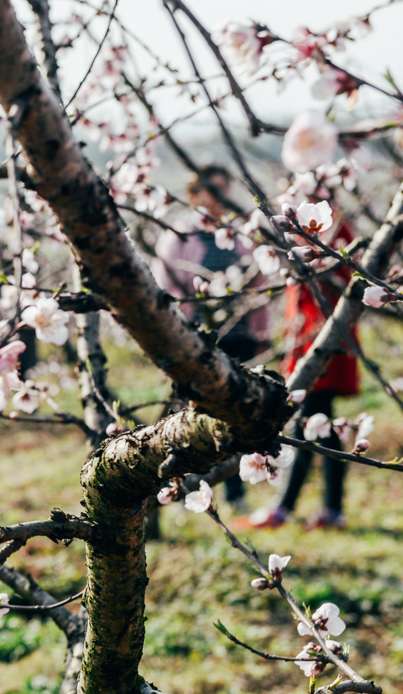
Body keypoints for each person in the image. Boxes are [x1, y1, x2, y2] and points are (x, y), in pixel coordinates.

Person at [154, 166, 270, 512]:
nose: (221, 198)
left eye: (225, 189)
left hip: (239, 337)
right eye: (213, 190)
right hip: (196, 341)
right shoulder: (179, 236)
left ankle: (235, 492)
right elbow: (167, 290)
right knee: (198, 415)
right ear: (196, 195)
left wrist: (261, 331)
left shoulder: (240, 233)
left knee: (237, 414)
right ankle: (187, 487)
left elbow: (259, 284)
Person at [243, 219, 360, 531]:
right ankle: (330, 509)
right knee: (321, 426)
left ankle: (285, 509)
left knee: (307, 423)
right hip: (304, 343)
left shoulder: (337, 232)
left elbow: (343, 284)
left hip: (324, 345)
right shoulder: (294, 232)